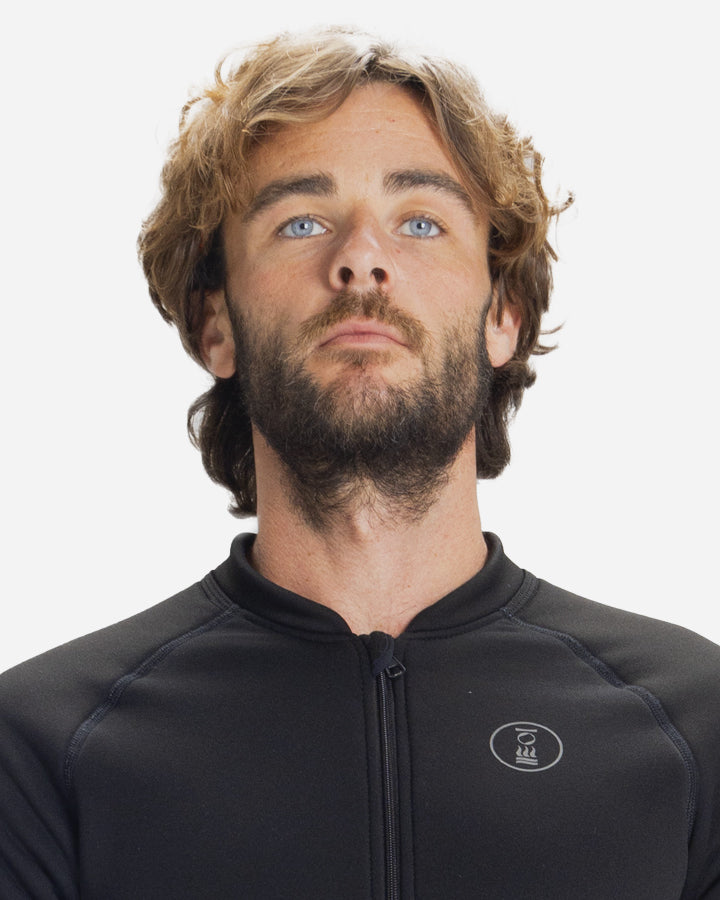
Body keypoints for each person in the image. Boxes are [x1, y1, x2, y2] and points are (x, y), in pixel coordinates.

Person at [1, 28, 718, 899]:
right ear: (215, 324)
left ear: (504, 315)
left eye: (421, 221)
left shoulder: (694, 723)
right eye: (301, 222)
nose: (362, 259)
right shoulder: (43, 747)